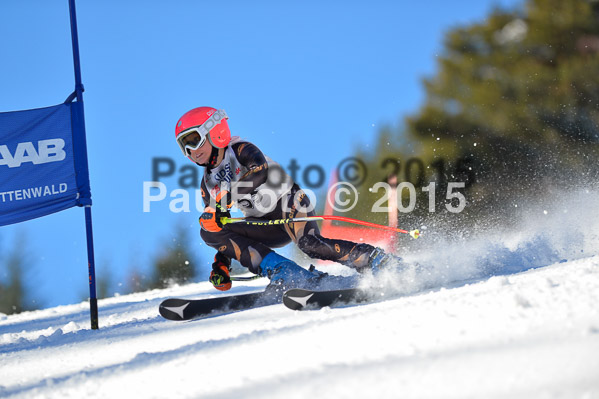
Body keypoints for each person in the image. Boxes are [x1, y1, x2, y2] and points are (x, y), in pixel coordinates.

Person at [175, 106, 400, 292]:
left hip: (290, 204)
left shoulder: (241, 149)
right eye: (183, 145)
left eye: (193, 139)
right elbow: (219, 224)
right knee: (207, 228)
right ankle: (286, 272)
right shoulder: (207, 183)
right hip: (265, 226)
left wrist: (226, 198)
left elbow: (260, 172)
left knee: (311, 245)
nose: (190, 150)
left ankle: (375, 259)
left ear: (214, 131)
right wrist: (221, 264)